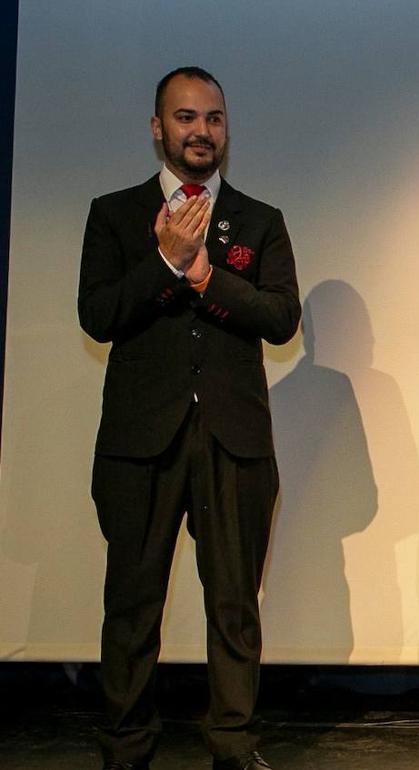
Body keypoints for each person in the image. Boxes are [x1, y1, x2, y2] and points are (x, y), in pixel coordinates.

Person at [77, 66, 300, 770]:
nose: (201, 131)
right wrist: (165, 262)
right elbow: (99, 314)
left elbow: (280, 318)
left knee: (234, 604)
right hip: (140, 440)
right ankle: (125, 745)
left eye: (213, 118)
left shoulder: (259, 221)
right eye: (185, 117)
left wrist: (205, 277)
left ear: (225, 129)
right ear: (158, 128)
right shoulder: (114, 215)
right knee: (132, 604)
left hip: (233, 439)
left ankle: (233, 746)